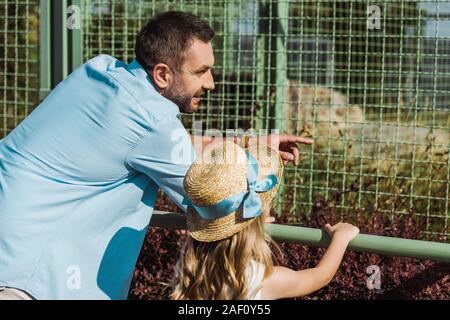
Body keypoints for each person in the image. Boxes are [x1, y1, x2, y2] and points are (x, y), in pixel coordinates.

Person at [0, 11, 312, 300]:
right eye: (200, 72)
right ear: (162, 74)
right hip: (27, 279)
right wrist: (257, 204)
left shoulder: (99, 71)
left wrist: (253, 141)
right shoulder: (155, 122)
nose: (211, 83)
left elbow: (154, 143)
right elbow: (214, 195)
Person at [171, 141, 359, 300]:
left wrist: (249, 222)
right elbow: (320, 276)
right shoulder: (261, 281)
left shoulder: (189, 269)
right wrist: (340, 239)